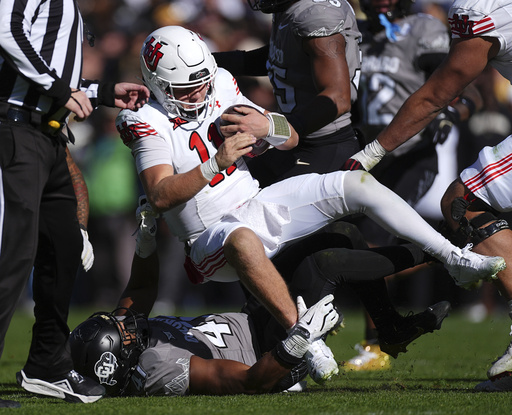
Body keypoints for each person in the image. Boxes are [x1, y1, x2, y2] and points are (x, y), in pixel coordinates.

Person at [116, 24, 505, 385]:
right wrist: (215, 162)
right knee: (241, 238)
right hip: (208, 238)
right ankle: (304, 337)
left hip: (253, 201)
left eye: (201, 82)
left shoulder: (219, 81)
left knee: (353, 184)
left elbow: (289, 138)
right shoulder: (143, 118)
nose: (198, 94)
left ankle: (455, 258)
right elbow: (161, 194)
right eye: (185, 89)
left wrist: (268, 125)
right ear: (156, 83)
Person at [344, 0, 512, 391]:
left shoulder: (478, 9)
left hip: (408, 154)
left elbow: (442, 91)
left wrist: (371, 152)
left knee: (462, 201)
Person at [0, 0, 150, 407]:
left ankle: (46, 364)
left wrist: (100, 91)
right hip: (15, 128)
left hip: (47, 137)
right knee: (13, 255)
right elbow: (6, 32)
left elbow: (51, 67)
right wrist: (62, 90)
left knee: (64, 245)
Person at [213, 0, 363, 187]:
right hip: (295, 142)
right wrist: (204, 61)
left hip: (323, 145)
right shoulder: (291, 7)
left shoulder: (316, 14)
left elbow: (338, 98)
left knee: (256, 208)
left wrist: (277, 128)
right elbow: (281, 57)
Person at [69, 296, 339, 397]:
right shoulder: (154, 368)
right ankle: (379, 339)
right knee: (319, 270)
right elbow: (249, 381)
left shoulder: (137, 349)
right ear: (116, 362)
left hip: (253, 321)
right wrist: (301, 336)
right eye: (123, 336)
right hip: (272, 358)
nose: (129, 328)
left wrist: (145, 238)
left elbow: (140, 288)